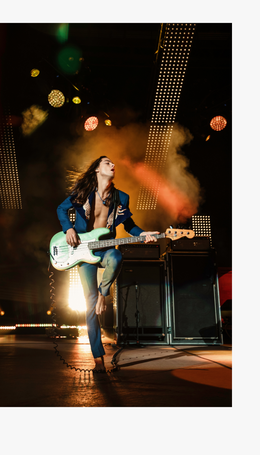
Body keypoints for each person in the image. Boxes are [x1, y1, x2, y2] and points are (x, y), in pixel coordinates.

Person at [56, 155, 159, 371]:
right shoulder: (82, 193)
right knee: (90, 306)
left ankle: (104, 294)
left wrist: (144, 233)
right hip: (84, 252)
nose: (113, 165)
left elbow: (129, 224)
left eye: (113, 163)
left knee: (117, 256)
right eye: (107, 163)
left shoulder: (121, 197)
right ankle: (98, 359)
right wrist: (69, 228)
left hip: (105, 249)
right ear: (96, 169)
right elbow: (61, 209)